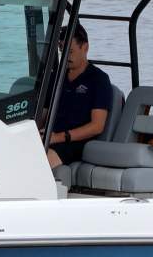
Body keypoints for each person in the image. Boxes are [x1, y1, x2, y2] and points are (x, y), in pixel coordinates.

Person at [45, 24, 114, 168]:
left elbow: (97, 126)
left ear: (85, 47)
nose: (66, 57)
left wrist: (59, 137)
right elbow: (44, 113)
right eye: (62, 51)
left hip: (77, 141)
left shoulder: (99, 79)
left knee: (40, 161)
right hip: (51, 135)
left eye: (70, 51)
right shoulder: (55, 77)